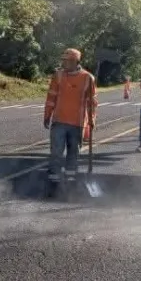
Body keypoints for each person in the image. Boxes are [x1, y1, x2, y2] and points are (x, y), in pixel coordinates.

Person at [43, 48, 97, 195]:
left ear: (76, 62)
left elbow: (92, 102)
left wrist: (92, 120)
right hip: (59, 121)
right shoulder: (58, 76)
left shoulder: (88, 78)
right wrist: (47, 115)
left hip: (77, 123)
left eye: (67, 61)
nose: (64, 63)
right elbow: (51, 97)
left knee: (73, 153)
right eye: (63, 60)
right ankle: (53, 182)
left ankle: (71, 181)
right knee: (56, 152)